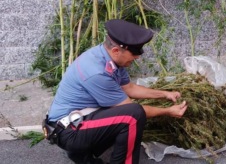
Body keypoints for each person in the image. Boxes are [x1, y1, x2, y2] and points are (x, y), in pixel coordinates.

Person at [43, 19, 188, 164]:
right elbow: (129, 107)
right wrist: (168, 111)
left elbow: (129, 88)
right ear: (116, 50)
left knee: (127, 114)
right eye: (134, 53)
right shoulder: (96, 72)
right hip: (69, 132)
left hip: (79, 120)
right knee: (133, 116)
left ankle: (84, 156)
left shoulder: (110, 60)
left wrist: (165, 94)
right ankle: (82, 151)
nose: (137, 57)